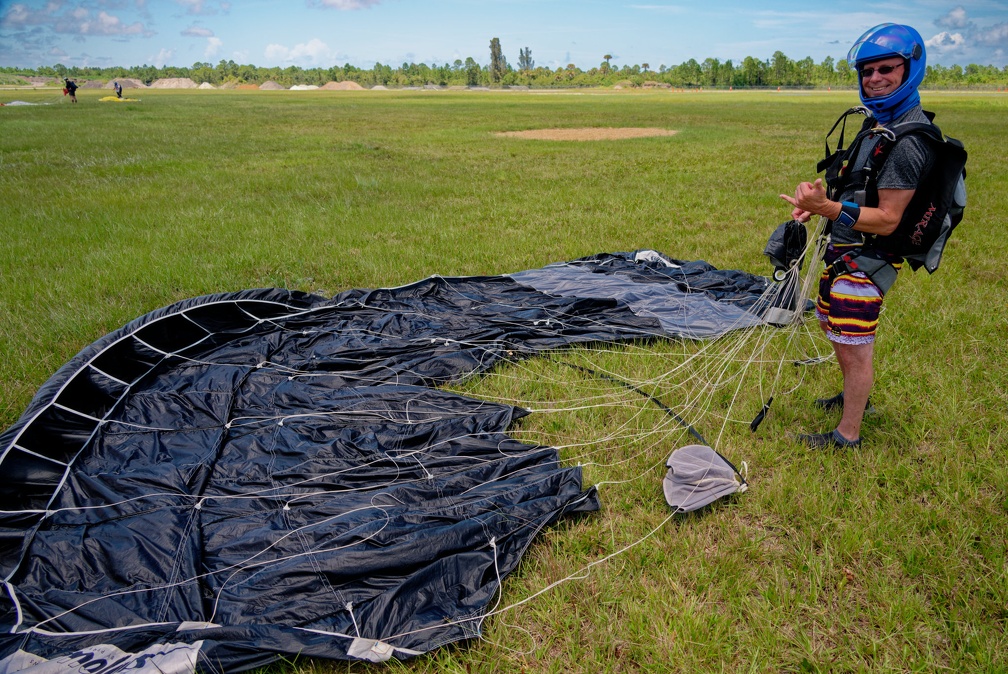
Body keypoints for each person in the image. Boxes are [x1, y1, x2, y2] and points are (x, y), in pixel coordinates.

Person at [779, 23, 935, 450]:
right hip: (846, 247)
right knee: (833, 324)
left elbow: (887, 219)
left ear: (910, 70)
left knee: (853, 340)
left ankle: (848, 434)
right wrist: (818, 202)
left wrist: (828, 210)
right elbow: (857, 185)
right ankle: (853, 399)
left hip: (872, 255)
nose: (875, 78)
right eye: (867, 71)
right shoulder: (878, 123)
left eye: (887, 69)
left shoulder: (909, 140)